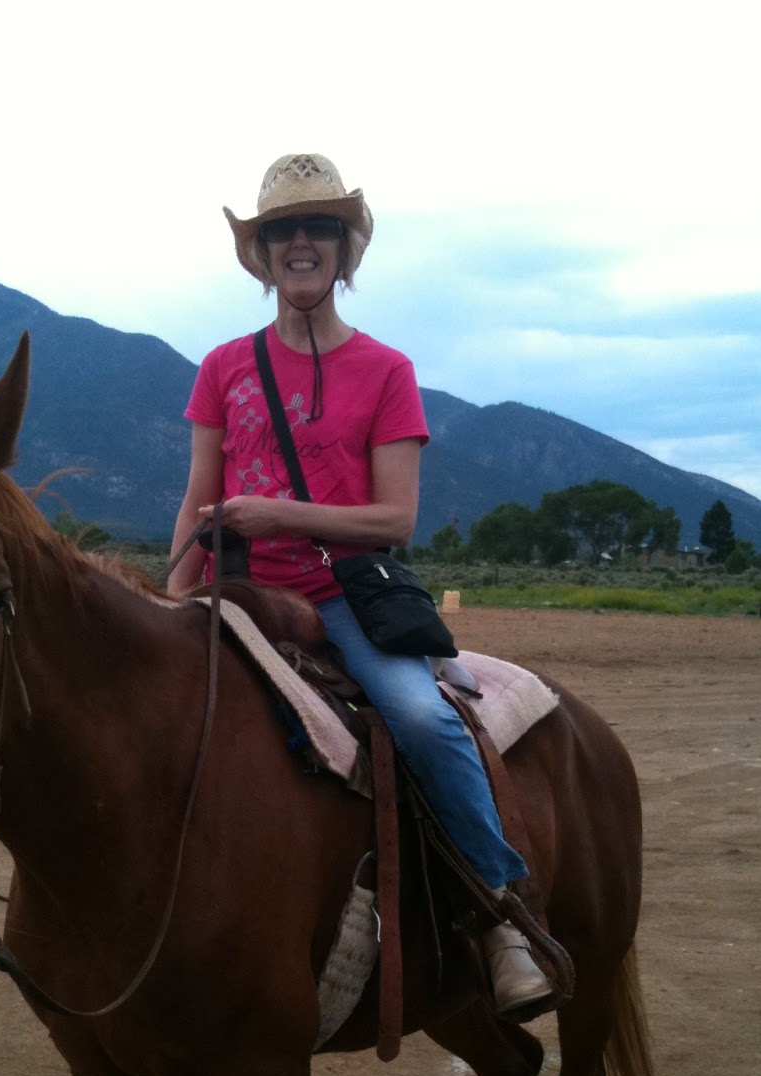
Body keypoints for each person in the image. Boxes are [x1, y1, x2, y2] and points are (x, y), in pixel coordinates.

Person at [168, 153, 551, 1016]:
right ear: (262, 255)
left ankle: (502, 917)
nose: (299, 243)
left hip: (342, 597)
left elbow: (395, 522)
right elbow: (198, 499)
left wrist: (277, 514)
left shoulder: (386, 371)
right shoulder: (223, 367)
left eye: (317, 228)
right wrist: (173, 594)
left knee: (420, 718)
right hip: (233, 589)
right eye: (281, 231)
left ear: (344, 250)